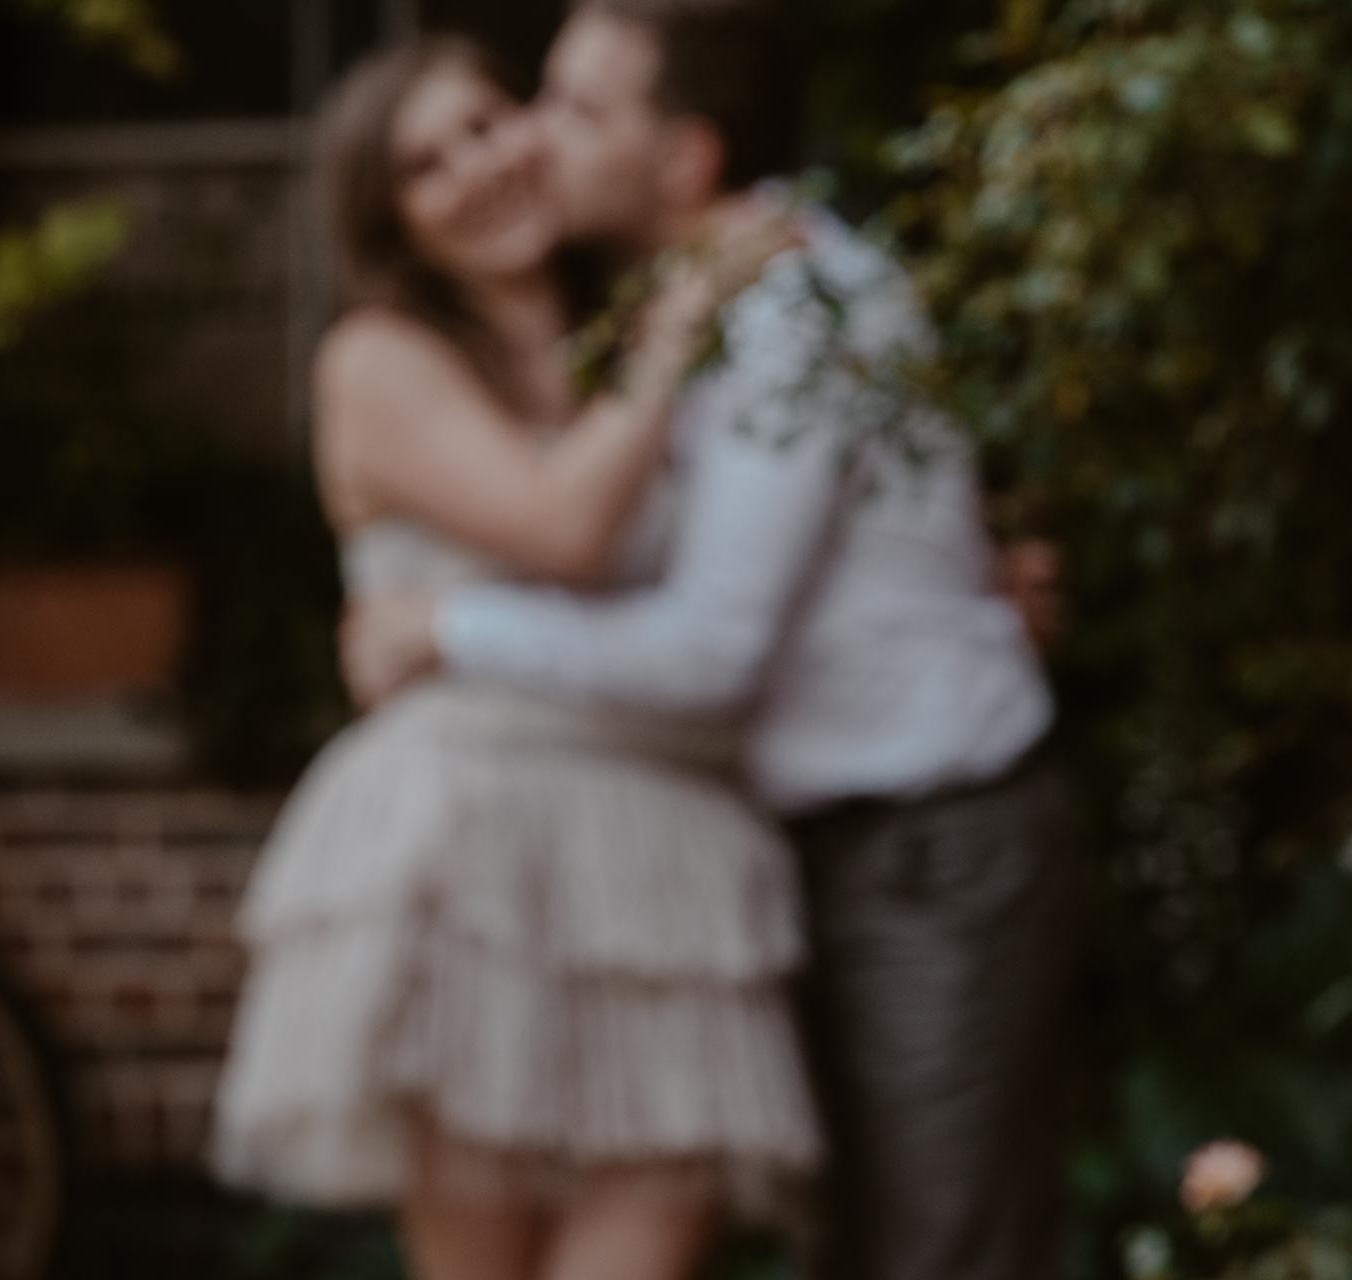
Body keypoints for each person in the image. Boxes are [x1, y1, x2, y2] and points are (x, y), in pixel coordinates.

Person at [343, 4, 1083, 1278]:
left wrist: (441, 629)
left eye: (573, 110)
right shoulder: (670, 313)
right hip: (813, 851)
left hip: (926, 844)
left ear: (683, 157)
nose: (528, 141)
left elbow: (708, 648)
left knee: (938, 1254)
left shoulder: (784, 299)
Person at [210, 35, 822, 1280]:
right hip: (466, 840)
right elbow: (560, 528)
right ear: (394, 220)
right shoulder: (377, 357)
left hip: (666, 854)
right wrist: (673, 333)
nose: (476, 170)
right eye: (427, 166)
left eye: (486, 125)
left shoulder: (635, 302)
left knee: (648, 1229)